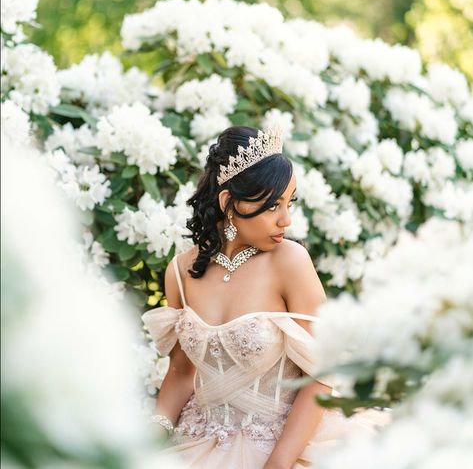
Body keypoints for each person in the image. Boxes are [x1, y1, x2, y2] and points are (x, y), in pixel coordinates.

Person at [142, 125, 390, 469]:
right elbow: (182, 374)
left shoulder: (290, 261)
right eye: (273, 205)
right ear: (229, 202)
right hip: (197, 444)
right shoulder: (180, 273)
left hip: (287, 445)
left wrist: (278, 464)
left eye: (290, 203)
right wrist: (149, 439)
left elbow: (322, 373)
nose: (286, 219)